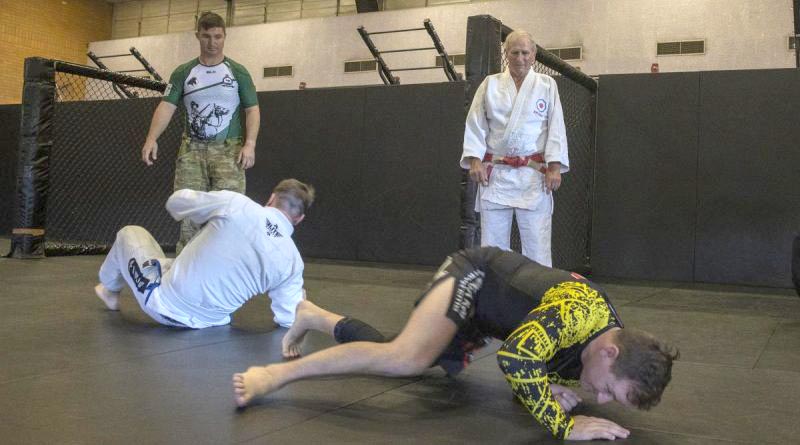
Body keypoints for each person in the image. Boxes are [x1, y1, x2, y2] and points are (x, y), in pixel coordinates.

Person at [232, 247, 678, 441]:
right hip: (475, 275)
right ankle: (274, 376)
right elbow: (518, 357)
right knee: (406, 358)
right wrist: (561, 424)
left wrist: (545, 389)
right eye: (608, 390)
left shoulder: (600, 344)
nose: (596, 398)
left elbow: (532, 366)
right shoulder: (582, 311)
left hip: (488, 318)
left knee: (402, 352)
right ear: (610, 351)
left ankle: (313, 316)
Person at [94, 179, 314, 329]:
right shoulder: (293, 262)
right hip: (212, 322)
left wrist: (204, 212)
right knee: (171, 262)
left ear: (271, 198)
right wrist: (298, 300)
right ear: (300, 219)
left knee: (131, 233)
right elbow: (289, 318)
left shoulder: (237, 204)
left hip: (164, 304)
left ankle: (109, 289)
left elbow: (175, 202)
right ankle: (117, 286)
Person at [141, 11, 260, 254]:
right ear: (198, 36)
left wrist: (250, 144)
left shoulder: (237, 72)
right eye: (207, 36)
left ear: (224, 36)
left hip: (229, 152)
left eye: (218, 36)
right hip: (192, 151)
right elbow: (167, 106)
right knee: (190, 213)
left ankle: (225, 270)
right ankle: (185, 272)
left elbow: (252, 110)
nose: (212, 43)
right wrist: (151, 138)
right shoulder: (184, 72)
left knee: (230, 212)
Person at [461, 30, 569, 266]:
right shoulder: (490, 85)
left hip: (533, 175)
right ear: (506, 54)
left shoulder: (546, 85)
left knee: (537, 245)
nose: (520, 58)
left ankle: (538, 295)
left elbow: (556, 129)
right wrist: (476, 161)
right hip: (496, 174)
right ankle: (497, 296)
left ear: (534, 55)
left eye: (525, 53)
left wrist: (554, 167)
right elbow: (476, 124)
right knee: (493, 246)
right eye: (515, 52)